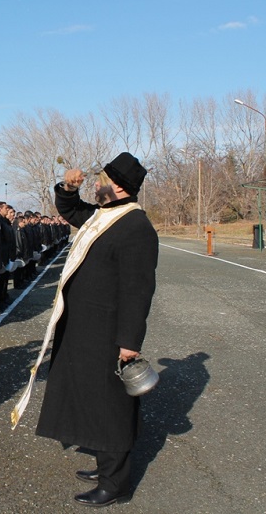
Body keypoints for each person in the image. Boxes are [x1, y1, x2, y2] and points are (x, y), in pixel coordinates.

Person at [36, 152, 159, 507]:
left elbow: (138, 290)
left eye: (101, 179)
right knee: (89, 396)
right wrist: (67, 188)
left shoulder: (135, 226)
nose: (95, 184)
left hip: (108, 332)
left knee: (111, 405)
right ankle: (104, 464)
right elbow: (71, 211)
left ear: (118, 187)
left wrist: (128, 343)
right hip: (84, 327)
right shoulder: (104, 215)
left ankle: (116, 482)